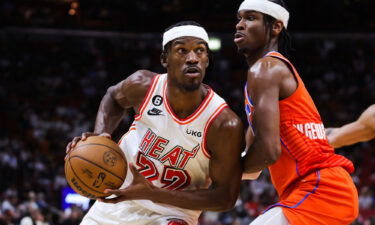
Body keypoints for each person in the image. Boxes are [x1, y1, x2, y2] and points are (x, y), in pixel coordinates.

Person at [66, 21, 245, 225]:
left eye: (200, 51)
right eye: (182, 51)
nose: (192, 58)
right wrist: (101, 134)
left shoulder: (223, 123)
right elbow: (113, 97)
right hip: (117, 200)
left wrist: (153, 193)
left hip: (173, 213)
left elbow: (225, 198)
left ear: (207, 60)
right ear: (164, 59)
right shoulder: (142, 85)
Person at [234, 0, 359, 224]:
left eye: (250, 18)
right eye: (239, 18)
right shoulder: (262, 79)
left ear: (276, 27)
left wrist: (216, 172)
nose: (240, 24)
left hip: (321, 189)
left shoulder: (267, 69)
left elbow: (268, 152)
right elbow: (252, 166)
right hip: (312, 191)